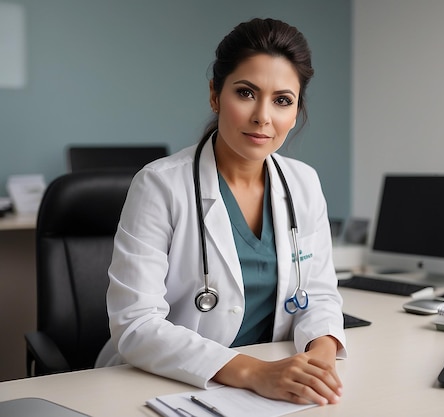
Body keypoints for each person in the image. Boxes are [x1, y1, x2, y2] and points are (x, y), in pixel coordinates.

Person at [95, 18, 347, 406]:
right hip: (169, 384)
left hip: (274, 386)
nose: (263, 116)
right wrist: (254, 373)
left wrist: (320, 358)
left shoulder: (304, 183)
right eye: (246, 93)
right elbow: (136, 325)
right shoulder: (160, 185)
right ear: (215, 95)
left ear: (296, 110)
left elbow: (318, 295)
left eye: (282, 100)